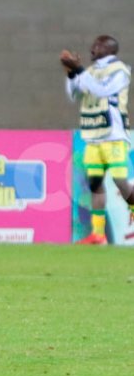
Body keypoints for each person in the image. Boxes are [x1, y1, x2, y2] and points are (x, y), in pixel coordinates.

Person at [61, 35, 134, 244]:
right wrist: (72, 73)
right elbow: (74, 95)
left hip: (113, 135)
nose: (92, 47)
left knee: (121, 182)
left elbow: (102, 90)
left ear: (110, 48)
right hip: (92, 135)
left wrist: (81, 71)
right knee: (95, 184)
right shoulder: (90, 72)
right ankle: (98, 234)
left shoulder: (120, 69)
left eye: (98, 45)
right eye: (93, 44)